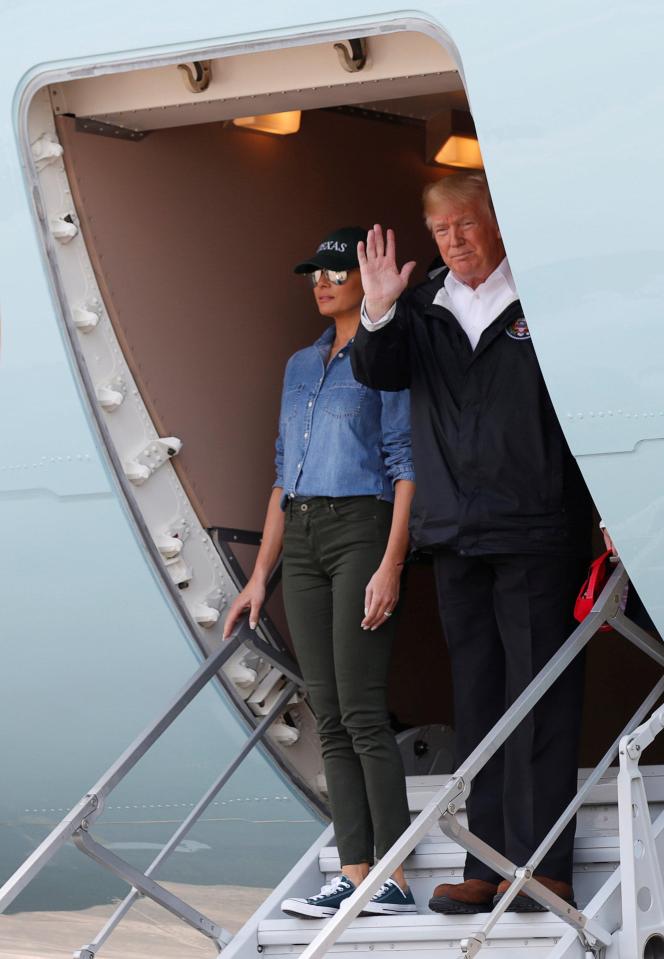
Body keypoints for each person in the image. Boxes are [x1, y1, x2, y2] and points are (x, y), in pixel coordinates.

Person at [351, 174, 592, 915]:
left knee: (541, 698)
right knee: (480, 700)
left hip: (538, 525)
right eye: (441, 231)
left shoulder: (543, 299)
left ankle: (543, 865)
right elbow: (376, 369)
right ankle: (485, 862)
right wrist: (378, 309)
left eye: (465, 224)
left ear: (494, 221)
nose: (454, 241)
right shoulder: (421, 310)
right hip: (456, 534)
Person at [223, 227, 417, 919]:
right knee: (328, 711)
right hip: (301, 533)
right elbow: (283, 475)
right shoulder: (299, 365)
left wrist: (392, 562)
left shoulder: (385, 355)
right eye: (315, 274)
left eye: (336, 271)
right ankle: (353, 868)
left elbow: (404, 464)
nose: (322, 282)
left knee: (362, 709)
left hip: (361, 526)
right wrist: (259, 576)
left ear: (368, 277)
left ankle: (392, 874)